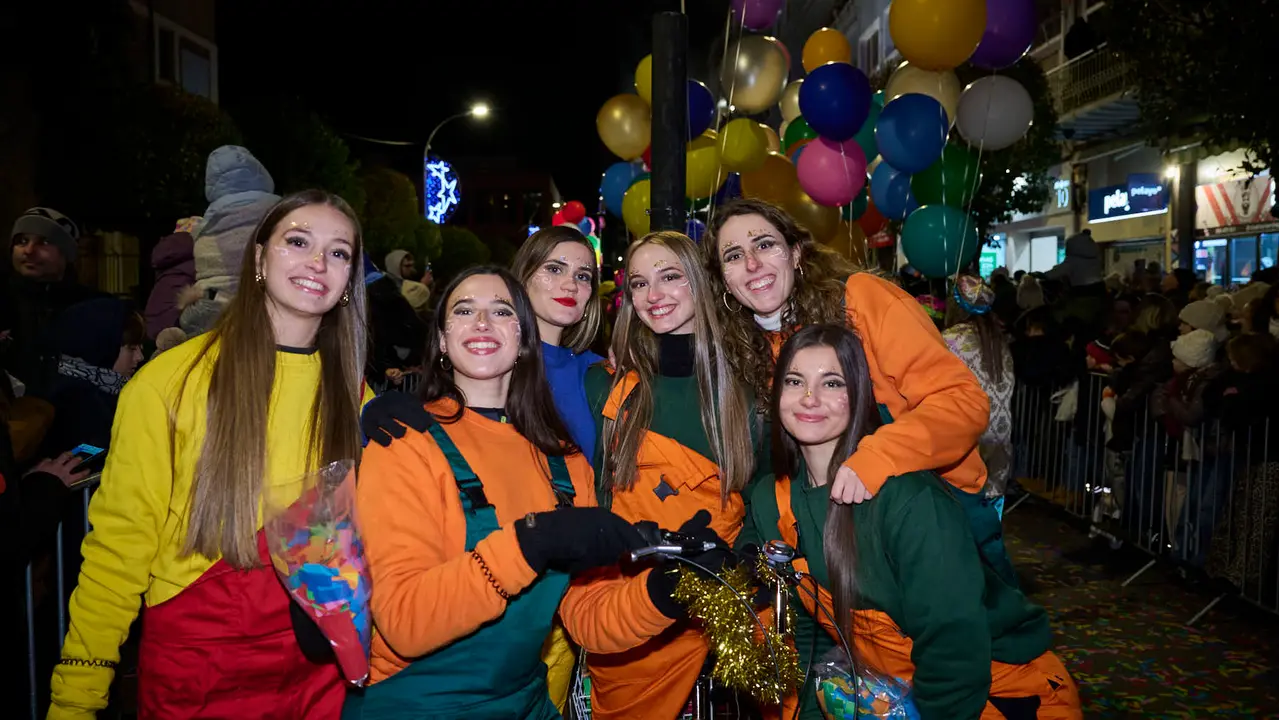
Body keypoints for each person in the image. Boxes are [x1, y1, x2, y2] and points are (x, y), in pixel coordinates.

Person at [50, 190, 369, 720]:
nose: (318, 262)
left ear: (348, 282)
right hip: (201, 671)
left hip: (320, 672)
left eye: (339, 253)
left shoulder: (358, 394)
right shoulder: (169, 383)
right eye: (298, 241)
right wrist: (76, 695)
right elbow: (119, 547)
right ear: (260, 257)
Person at [740, 324, 1082, 720]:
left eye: (832, 383)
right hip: (894, 692)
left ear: (861, 396)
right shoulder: (772, 499)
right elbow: (807, 633)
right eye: (795, 380)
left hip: (997, 695)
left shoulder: (908, 498)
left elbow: (953, 650)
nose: (810, 398)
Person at [348, 266, 644, 719]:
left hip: (524, 699)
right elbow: (405, 621)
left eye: (500, 311)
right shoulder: (406, 442)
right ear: (443, 341)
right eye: (464, 310)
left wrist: (664, 591)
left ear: (525, 338)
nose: (482, 322)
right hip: (417, 702)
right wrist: (532, 541)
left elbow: (589, 618)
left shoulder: (566, 463)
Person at [704, 199, 1001, 578]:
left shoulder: (862, 299)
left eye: (764, 244)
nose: (751, 263)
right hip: (833, 527)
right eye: (733, 255)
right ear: (723, 279)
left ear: (795, 253)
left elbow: (961, 401)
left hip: (931, 511)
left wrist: (879, 458)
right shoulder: (742, 346)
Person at [560, 231, 755, 719]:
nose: (654, 296)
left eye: (670, 277)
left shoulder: (751, 388)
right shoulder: (604, 384)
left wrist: (739, 567)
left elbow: (772, 497)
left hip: (727, 608)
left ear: (702, 284)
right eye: (640, 283)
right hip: (630, 611)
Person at [509, 225, 604, 712]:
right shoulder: (489, 360)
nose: (570, 284)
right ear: (523, 274)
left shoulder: (600, 373)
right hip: (501, 580)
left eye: (583, 276)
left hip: (577, 589)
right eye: (554, 269)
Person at [943, 276, 1015, 512]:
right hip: (999, 435)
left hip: (965, 436)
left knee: (962, 510)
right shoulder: (999, 342)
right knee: (991, 507)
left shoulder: (949, 340)